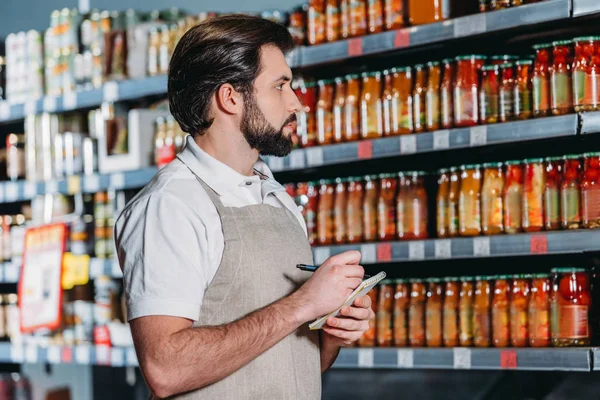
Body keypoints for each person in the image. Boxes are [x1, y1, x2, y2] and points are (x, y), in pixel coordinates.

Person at [114, 14, 374, 399]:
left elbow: (290, 364)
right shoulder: (171, 206)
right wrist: (301, 305)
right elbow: (165, 368)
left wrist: (332, 331)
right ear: (230, 97)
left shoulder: (277, 198)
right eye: (280, 86)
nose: (297, 103)